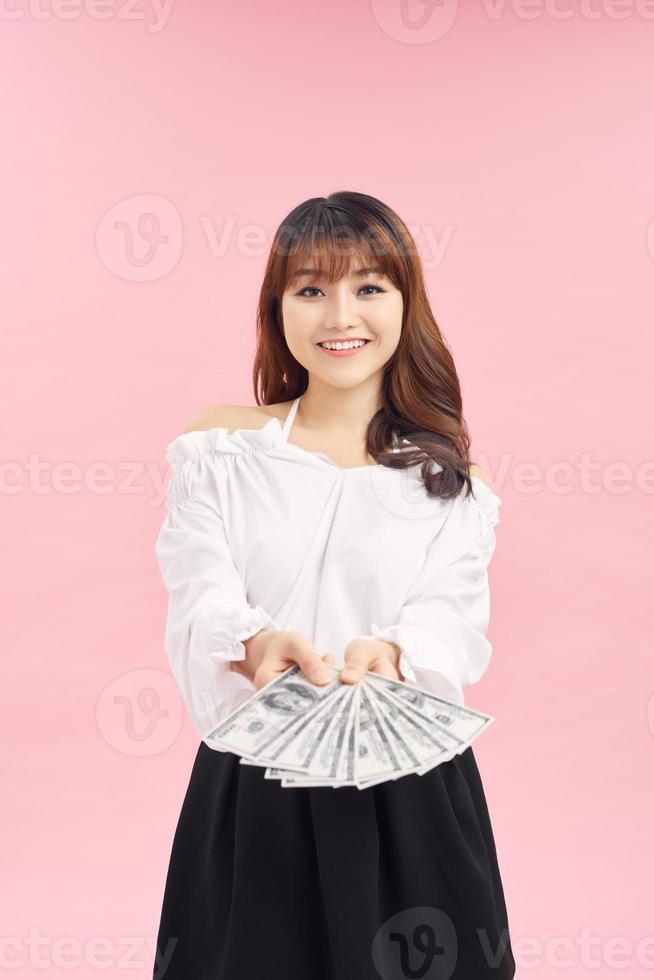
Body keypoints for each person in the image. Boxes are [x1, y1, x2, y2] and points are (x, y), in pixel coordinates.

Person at [151, 190, 516, 980]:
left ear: (405, 303)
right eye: (311, 288)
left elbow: (451, 623)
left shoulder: (450, 481)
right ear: (277, 307)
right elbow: (197, 584)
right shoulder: (220, 449)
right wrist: (253, 643)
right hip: (256, 785)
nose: (338, 314)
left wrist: (392, 653)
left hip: (412, 790)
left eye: (369, 287)